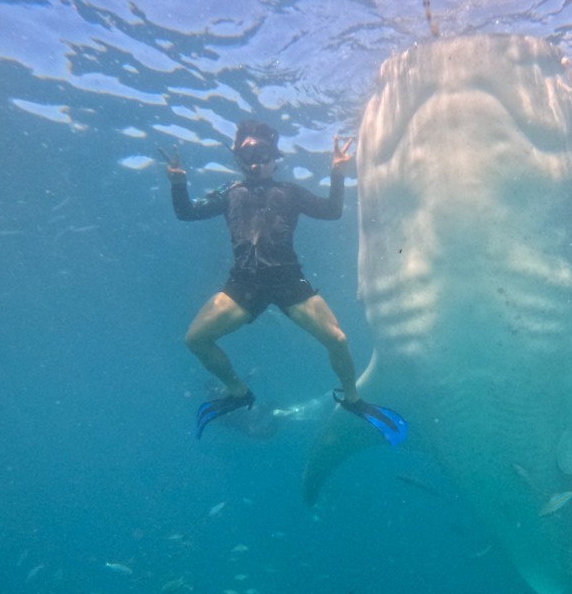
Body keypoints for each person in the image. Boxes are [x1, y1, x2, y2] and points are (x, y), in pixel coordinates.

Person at [163, 120, 407, 443]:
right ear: (237, 156)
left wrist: (337, 172)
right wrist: (177, 182)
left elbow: (332, 210)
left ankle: (353, 400)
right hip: (244, 284)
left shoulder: (289, 192)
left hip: (288, 279)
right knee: (195, 339)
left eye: (263, 153)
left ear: (274, 157)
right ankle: (238, 391)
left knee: (337, 339)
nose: (256, 160)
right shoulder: (230, 193)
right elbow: (187, 213)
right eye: (248, 153)